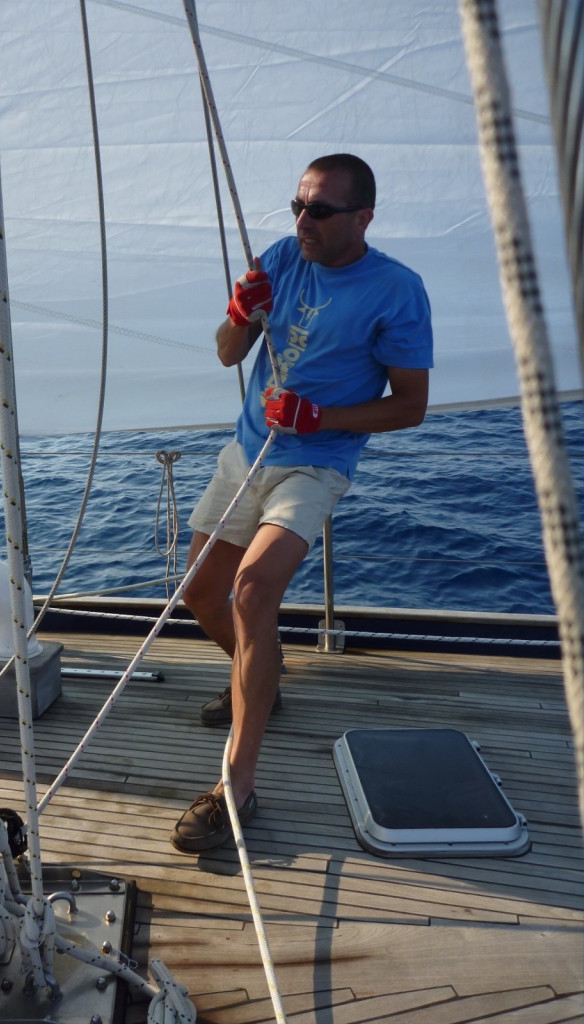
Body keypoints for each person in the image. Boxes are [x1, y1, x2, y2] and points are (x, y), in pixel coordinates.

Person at [169, 153, 433, 854]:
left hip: (314, 464)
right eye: (297, 206)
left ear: (363, 218)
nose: (302, 222)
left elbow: (410, 406)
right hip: (246, 452)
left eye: (319, 210)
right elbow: (229, 353)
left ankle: (236, 789)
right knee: (200, 594)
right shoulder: (283, 259)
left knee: (254, 591)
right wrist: (238, 315)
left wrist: (321, 418)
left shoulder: (397, 291)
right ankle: (261, 679)